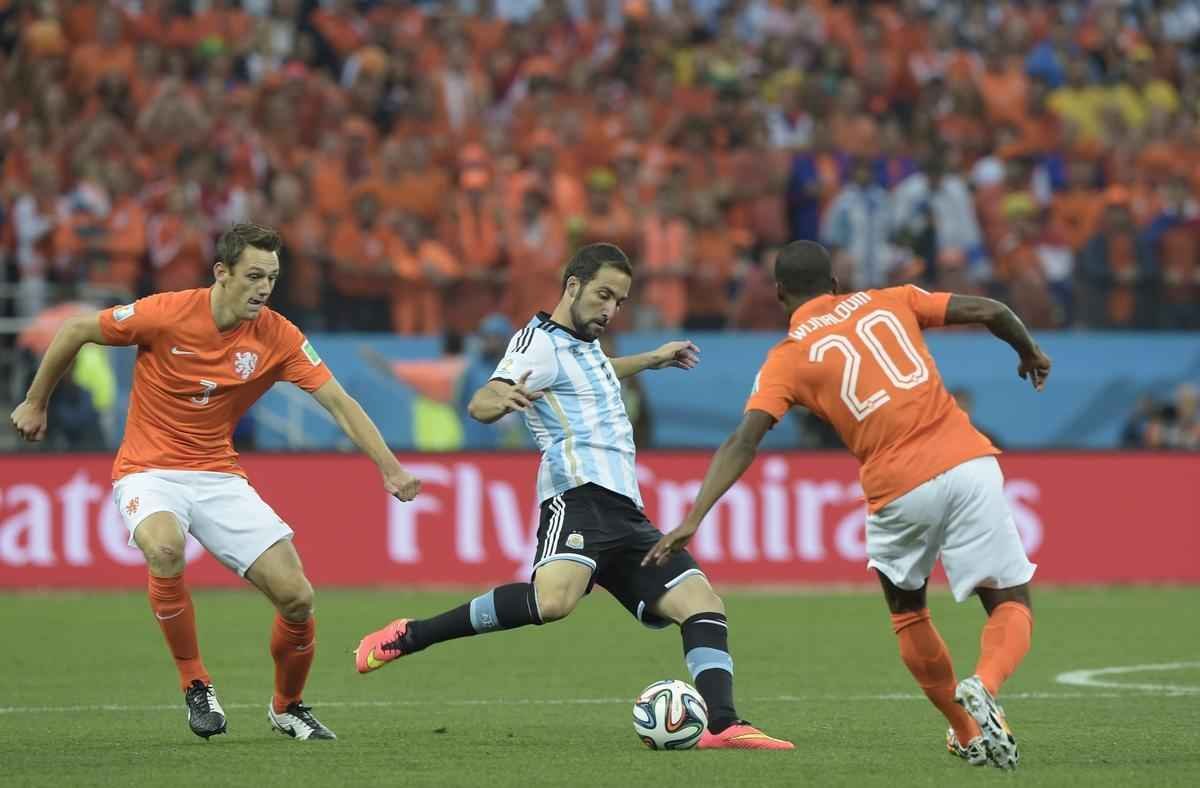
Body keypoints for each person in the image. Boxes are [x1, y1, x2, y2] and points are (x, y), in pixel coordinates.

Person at [354, 243, 793, 750]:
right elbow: (481, 400)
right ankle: (412, 634)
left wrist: (650, 359)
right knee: (553, 601)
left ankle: (723, 724)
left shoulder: (582, 345)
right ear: (572, 286)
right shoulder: (536, 343)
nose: (610, 309)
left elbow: (596, 373)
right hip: (577, 494)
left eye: (620, 301)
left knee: (703, 605)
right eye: (603, 295)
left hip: (625, 510)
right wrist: (501, 399)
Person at [9, 223, 422, 741]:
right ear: (221, 273)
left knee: (297, 598)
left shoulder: (278, 335)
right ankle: (195, 683)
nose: (264, 287)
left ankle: (288, 706)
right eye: (253, 275)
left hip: (219, 476)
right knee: (164, 549)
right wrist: (35, 401)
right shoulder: (166, 312)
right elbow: (74, 330)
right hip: (149, 470)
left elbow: (338, 401)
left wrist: (390, 466)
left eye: (271, 277)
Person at [645, 241, 1050, 769]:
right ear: (835, 285)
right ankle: (986, 682)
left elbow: (744, 440)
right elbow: (993, 311)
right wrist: (1029, 352)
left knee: (909, 613)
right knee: (1009, 599)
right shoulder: (893, 299)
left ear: (780, 295)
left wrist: (694, 517)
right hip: (968, 461)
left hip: (898, 487)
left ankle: (965, 730)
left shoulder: (786, 359)